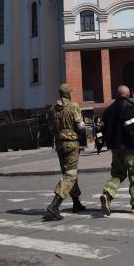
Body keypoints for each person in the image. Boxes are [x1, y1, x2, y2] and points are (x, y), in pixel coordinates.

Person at [99, 85, 134, 216]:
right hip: (129, 148)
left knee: (118, 174)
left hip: (115, 148)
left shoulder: (108, 110)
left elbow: (103, 129)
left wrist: (110, 143)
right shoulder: (129, 106)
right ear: (128, 94)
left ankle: (107, 195)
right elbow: (132, 127)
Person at [45, 83, 86, 220]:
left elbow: (50, 129)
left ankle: (76, 203)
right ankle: (54, 205)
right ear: (68, 93)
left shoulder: (52, 109)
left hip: (59, 144)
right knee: (70, 175)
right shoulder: (73, 106)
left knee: (69, 172)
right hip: (71, 144)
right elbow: (80, 126)